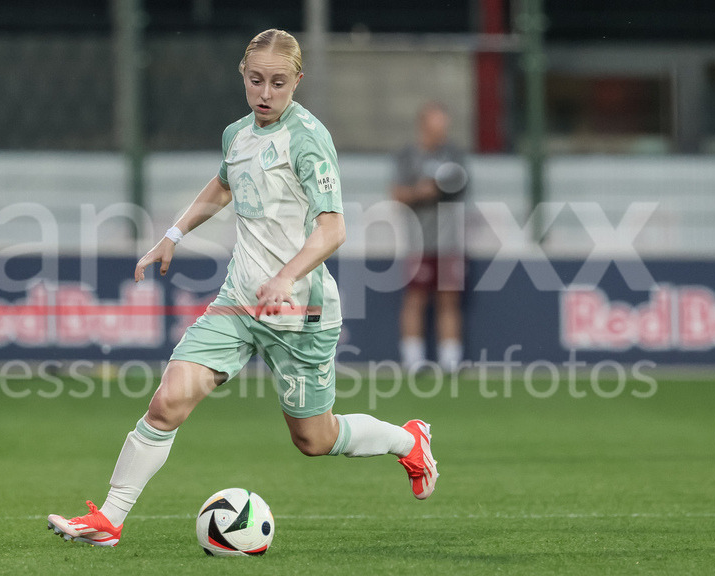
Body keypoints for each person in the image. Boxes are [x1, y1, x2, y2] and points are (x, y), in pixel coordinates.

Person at [47, 29, 438, 547]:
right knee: (166, 404)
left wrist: (285, 276)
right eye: (256, 80)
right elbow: (225, 184)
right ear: (243, 76)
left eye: (279, 82)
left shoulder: (308, 139)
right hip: (238, 304)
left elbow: (333, 229)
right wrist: (172, 235)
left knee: (313, 440)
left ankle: (408, 440)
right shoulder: (238, 134)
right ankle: (110, 520)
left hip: (301, 314)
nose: (266, 93)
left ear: (298, 80)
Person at [391, 101, 468, 373]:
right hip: (419, 242)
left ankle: (451, 360)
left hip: (449, 243)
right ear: (423, 126)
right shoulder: (409, 156)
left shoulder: (454, 155)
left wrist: (434, 189)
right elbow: (397, 194)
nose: (441, 132)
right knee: (416, 298)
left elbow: (460, 184)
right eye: (436, 126)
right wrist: (419, 193)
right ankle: (413, 360)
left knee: (449, 299)